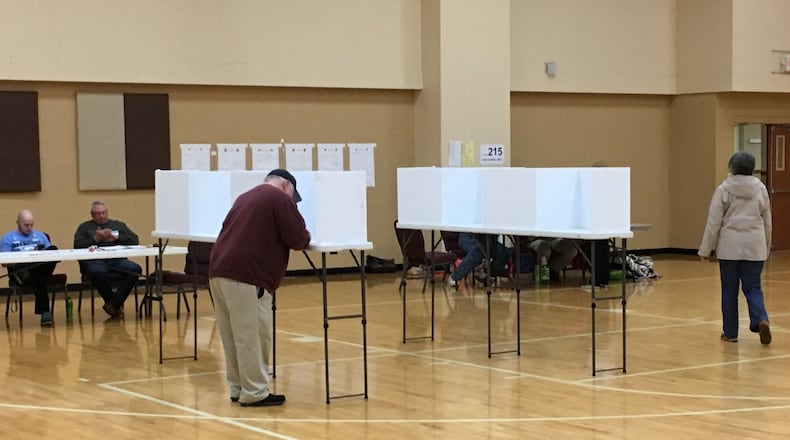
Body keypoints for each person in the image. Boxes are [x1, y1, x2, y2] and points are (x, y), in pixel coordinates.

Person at [209, 169, 311, 407]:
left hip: (219, 271)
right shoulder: (278, 198)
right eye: (293, 197)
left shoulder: (246, 197)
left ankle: (238, 387)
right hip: (246, 275)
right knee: (251, 334)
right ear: (287, 185)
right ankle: (255, 392)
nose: (292, 202)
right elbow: (298, 237)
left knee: (232, 335)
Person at [699, 151, 772, 345]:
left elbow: (713, 222)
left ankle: (730, 333)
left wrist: (706, 250)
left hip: (729, 248)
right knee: (753, 287)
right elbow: (767, 222)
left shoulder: (724, 189)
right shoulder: (761, 189)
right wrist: (765, 247)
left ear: (732, 167)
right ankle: (760, 319)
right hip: (755, 246)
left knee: (729, 291)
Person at [73, 201, 141, 318]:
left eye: (103, 212)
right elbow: (77, 245)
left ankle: (113, 304)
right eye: (98, 213)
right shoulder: (84, 227)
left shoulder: (118, 225)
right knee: (97, 272)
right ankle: (113, 303)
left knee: (135, 269)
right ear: (92, 215)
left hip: (116, 259)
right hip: (95, 260)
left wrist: (116, 237)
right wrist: (96, 238)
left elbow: (134, 240)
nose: (101, 216)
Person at [0, 209, 59, 326]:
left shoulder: (41, 236)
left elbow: (51, 256)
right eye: (26, 225)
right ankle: (45, 312)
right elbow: (5, 262)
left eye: (32, 225)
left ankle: (45, 311)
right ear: (18, 223)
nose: (29, 228)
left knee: (54, 250)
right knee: (39, 277)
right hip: (19, 271)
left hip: (38, 269)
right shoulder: (8, 238)